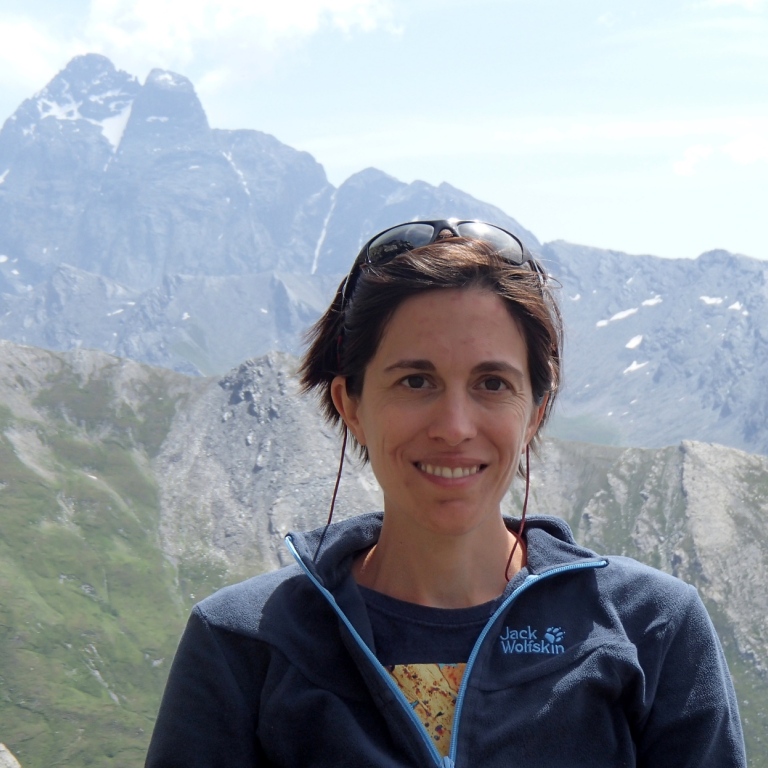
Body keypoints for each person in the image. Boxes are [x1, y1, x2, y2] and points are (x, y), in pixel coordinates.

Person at [145, 219, 746, 767]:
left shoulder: (654, 628)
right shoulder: (241, 642)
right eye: (416, 380)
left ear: (535, 411)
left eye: (492, 382)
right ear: (349, 405)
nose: (455, 426)